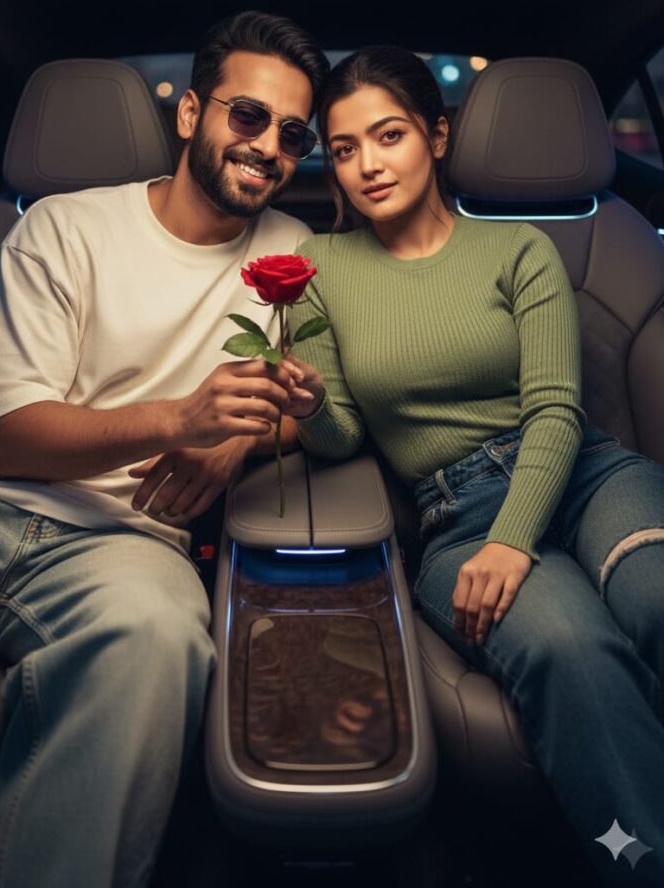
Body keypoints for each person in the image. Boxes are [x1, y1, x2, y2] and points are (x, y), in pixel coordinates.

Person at [0, 10, 328, 887]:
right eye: (245, 116)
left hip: (126, 547)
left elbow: (328, 398)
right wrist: (181, 420)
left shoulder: (298, 254)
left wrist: (249, 436)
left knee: (157, 633)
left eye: (292, 133)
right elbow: (3, 437)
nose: (266, 147)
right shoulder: (62, 229)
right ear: (189, 114)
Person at [280, 46, 664, 887]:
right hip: (456, 515)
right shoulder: (317, 271)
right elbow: (342, 436)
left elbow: (557, 410)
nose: (367, 165)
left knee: (654, 596)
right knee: (569, 651)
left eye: (388, 135)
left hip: (586, 475)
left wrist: (517, 540)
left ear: (438, 135)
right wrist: (308, 406)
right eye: (343, 149)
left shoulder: (516, 249)